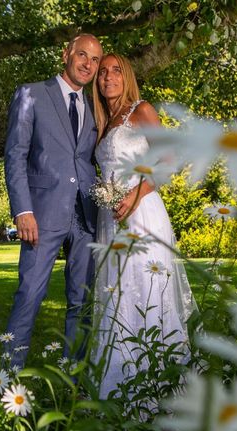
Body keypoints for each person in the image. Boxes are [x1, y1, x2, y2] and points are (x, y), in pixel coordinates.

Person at [92, 53, 196, 398]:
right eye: (103, 72)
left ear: (127, 76)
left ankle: (160, 391)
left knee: (146, 294)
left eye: (115, 71)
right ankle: (119, 390)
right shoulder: (104, 120)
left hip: (143, 212)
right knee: (116, 298)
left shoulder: (141, 110)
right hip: (110, 220)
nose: (108, 77)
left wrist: (136, 193)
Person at [3, 33, 103, 367]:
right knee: (29, 295)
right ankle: (6, 379)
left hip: (86, 217)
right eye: (82, 55)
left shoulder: (95, 106)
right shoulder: (31, 93)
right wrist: (23, 210)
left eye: (95, 60)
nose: (88, 64)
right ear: (66, 54)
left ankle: (71, 382)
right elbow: (15, 154)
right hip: (41, 215)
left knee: (82, 302)